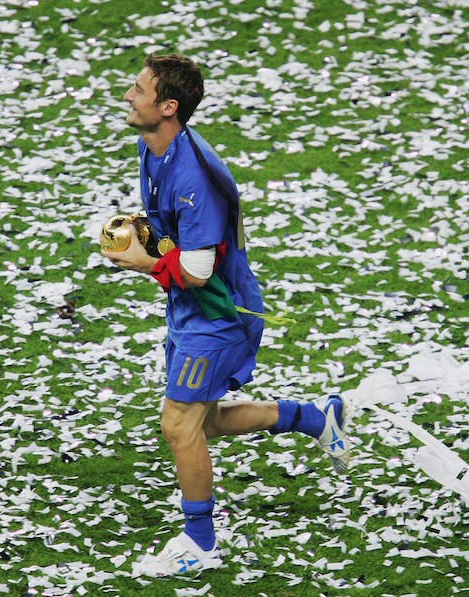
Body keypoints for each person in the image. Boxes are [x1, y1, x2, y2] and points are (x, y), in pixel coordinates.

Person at [101, 53, 352, 577]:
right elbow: (172, 230)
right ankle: (314, 418)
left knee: (179, 424)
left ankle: (199, 542)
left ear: (168, 107)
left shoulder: (194, 175)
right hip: (192, 311)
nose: (128, 95)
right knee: (203, 421)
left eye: (139, 90)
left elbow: (195, 270)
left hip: (217, 316)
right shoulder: (155, 148)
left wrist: (141, 261)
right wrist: (141, 229)